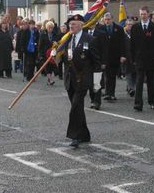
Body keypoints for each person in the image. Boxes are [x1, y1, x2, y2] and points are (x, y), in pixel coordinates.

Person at [52, 14, 99, 148]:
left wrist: (97, 82)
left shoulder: (90, 39)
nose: (71, 26)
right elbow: (62, 57)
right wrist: (54, 54)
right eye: (70, 24)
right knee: (77, 108)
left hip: (83, 79)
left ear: (81, 25)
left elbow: (96, 62)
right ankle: (85, 134)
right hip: (70, 79)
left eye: (74, 24)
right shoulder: (67, 40)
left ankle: (75, 136)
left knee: (75, 108)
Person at [131, 6, 154, 111]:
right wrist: (133, 59)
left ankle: (152, 102)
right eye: (141, 14)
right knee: (139, 82)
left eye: (144, 14)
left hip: (152, 59)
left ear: (148, 14)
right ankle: (138, 104)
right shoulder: (135, 28)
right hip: (139, 59)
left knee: (151, 82)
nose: (142, 16)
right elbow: (132, 45)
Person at [95, 12, 126, 101]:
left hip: (115, 56)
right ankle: (107, 93)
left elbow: (122, 43)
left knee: (112, 76)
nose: (107, 21)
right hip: (104, 57)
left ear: (112, 19)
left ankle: (111, 93)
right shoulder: (100, 28)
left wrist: (123, 55)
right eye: (105, 19)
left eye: (109, 19)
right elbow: (97, 44)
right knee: (106, 75)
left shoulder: (119, 29)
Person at [38, 21, 58, 85]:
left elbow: (57, 41)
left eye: (51, 28)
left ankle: (49, 80)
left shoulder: (55, 34)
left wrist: (56, 43)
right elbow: (40, 45)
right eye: (49, 27)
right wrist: (40, 54)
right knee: (47, 67)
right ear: (47, 27)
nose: (50, 29)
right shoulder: (43, 34)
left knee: (51, 66)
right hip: (44, 53)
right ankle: (51, 80)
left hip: (52, 53)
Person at [123, 19, 136, 97]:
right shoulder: (123, 34)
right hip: (126, 57)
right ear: (126, 25)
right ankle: (131, 88)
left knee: (134, 73)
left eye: (132, 25)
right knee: (128, 73)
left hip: (134, 57)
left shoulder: (136, 34)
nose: (130, 26)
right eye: (129, 24)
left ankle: (130, 87)